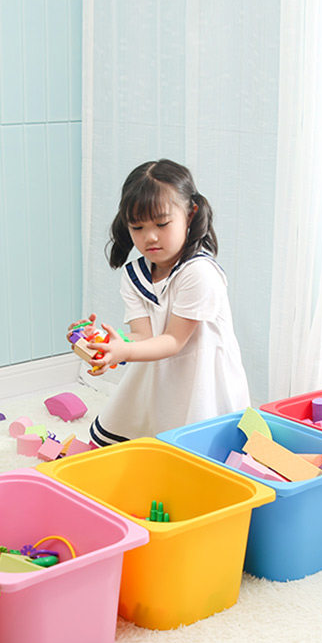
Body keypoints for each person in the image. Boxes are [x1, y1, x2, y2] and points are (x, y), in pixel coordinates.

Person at [73, 159, 250, 446]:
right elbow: (144, 337)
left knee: (201, 452)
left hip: (202, 382)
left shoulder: (199, 272)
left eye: (162, 224)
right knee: (145, 442)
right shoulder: (134, 275)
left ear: (190, 215)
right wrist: (106, 344)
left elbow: (173, 341)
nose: (150, 237)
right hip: (161, 380)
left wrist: (123, 351)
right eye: (137, 227)